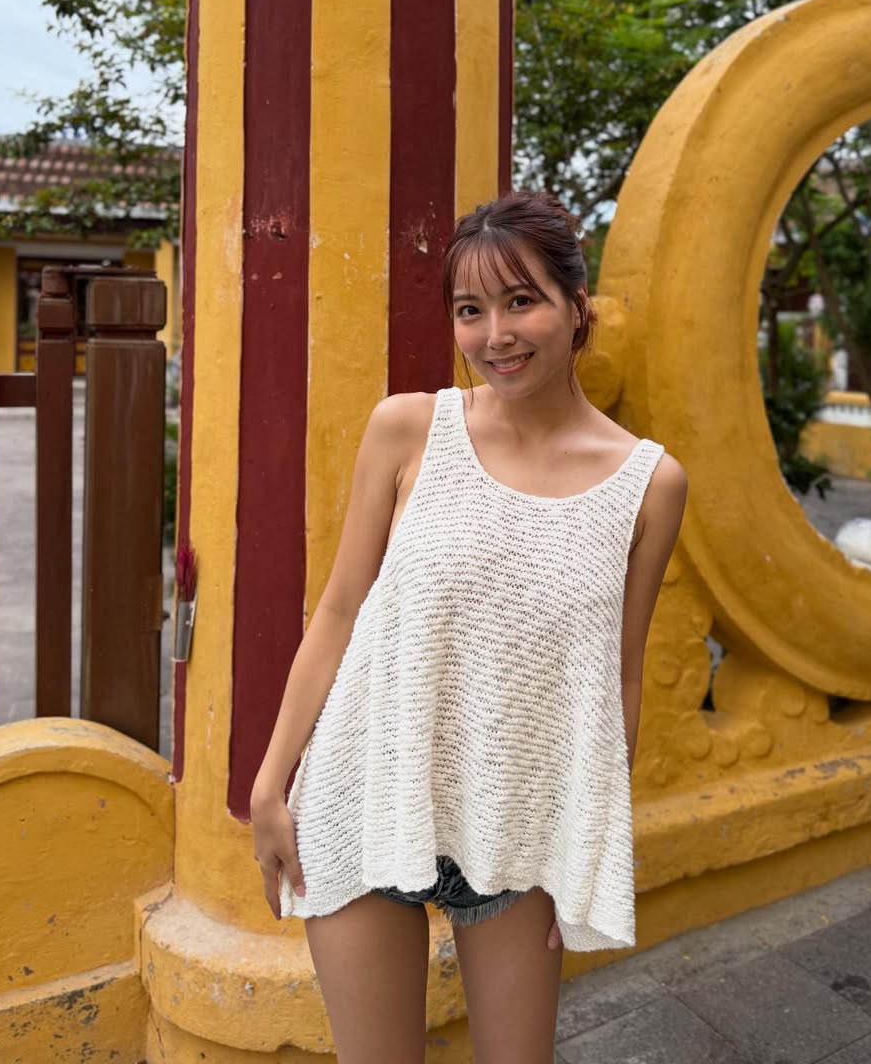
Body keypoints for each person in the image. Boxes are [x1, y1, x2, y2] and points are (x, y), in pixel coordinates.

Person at [250, 189, 688, 1064]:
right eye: (470, 310)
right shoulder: (409, 429)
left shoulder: (649, 484)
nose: (497, 335)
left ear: (578, 308)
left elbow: (620, 675)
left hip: (521, 824)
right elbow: (338, 610)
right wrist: (270, 785)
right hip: (366, 790)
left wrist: (586, 847)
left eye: (522, 301)